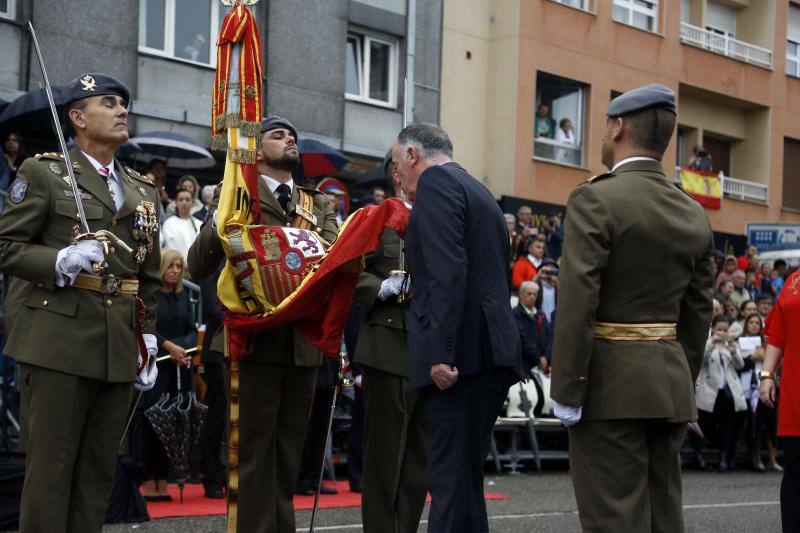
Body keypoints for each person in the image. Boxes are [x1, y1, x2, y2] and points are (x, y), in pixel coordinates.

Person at [0, 73, 160, 532]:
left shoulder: (142, 190)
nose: (121, 110)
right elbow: (7, 247)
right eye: (108, 103)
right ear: (76, 118)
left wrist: (147, 334)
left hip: (117, 344)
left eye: (123, 104)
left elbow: (145, 275)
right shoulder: (43, 172)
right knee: (51, 469)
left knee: (97, 471)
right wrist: (61, 259)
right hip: (58, 339)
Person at [550, 84, 714, 532]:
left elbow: (577, 300)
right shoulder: (692, 212)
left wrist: (567, 389)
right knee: (663, 517)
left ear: (619, 126)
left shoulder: (596, 198)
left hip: (609, 390)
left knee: (614, 518)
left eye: (605, 124)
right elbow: (698, 315)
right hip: (668, 388)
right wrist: (677, 375)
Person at [187, 115, 337, 532]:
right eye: (277, 134)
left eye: (292, 135)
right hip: (250, 344)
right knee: (251, 458)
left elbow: (328, 262)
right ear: (256, 149)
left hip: (302, 346)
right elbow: (198, 265)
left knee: (287, 459)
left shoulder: (317, 203)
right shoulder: (236, 194)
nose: (289, 139)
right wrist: (226, 207)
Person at [392, 122, 523, 532]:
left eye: (398, 165)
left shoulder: (436, 185)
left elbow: (447, 273)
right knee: (465, 479)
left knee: (449, 480)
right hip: (490, 349)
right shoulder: (478, 190)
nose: (397, 178)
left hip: (461, 355)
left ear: (413, 156)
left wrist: (442, 354)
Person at [352, 170, 427, 533]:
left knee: (417, 463)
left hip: (428, 348)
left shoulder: (438, 219)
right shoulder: (376, 217)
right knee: (384, 459)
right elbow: (350, 269)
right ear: (399, 174)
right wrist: (379, 287)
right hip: (387, 341)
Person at [140, 248, 195, 501]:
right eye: (170, 266)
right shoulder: (152, 296)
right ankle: (148, 478)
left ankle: (163, 478)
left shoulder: (183, 297)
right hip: (156, 368)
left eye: (178, 266)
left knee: (172, 425)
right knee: (153, 424)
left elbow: (192, 330)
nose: (175, 271)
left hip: (178, 369)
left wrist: (182, 349)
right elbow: (148, 328)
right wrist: (170, 347)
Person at [759, 270, 800, 531]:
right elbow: (778, 334)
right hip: (795, 388)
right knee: (795, 468)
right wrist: (766, 375)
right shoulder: (794, 281)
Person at [692, 316, 747, 472]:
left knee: (727, 426)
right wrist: (712, 342)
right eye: (719, 329)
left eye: (725, 330)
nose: (722, 332)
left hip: (728, 391)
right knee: (703, 424)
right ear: (713, 328)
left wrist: (734, 351)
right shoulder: (707, 342)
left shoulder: (731, 343)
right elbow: (701, 360)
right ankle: (699, 456)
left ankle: (724, 458)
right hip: (709, 390)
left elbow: (740, 365)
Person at [514, 281, 552, 374]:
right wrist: (538, 359)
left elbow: (550, 337)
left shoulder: (540, 314)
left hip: (543, 365)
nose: (532, 297)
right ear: (521, 295)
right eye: (529, 294)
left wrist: (546, 357)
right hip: (525, 366)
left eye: (535, 294)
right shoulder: (515, 314)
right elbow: (523, 340)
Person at [161, 189, 202, 264]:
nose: (184, 203)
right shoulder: (169, 224)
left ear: (192, 203)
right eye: (181, 200)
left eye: (187, 200)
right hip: (178, 269)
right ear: (176, 203)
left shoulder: (199, 224)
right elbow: (171, 248)